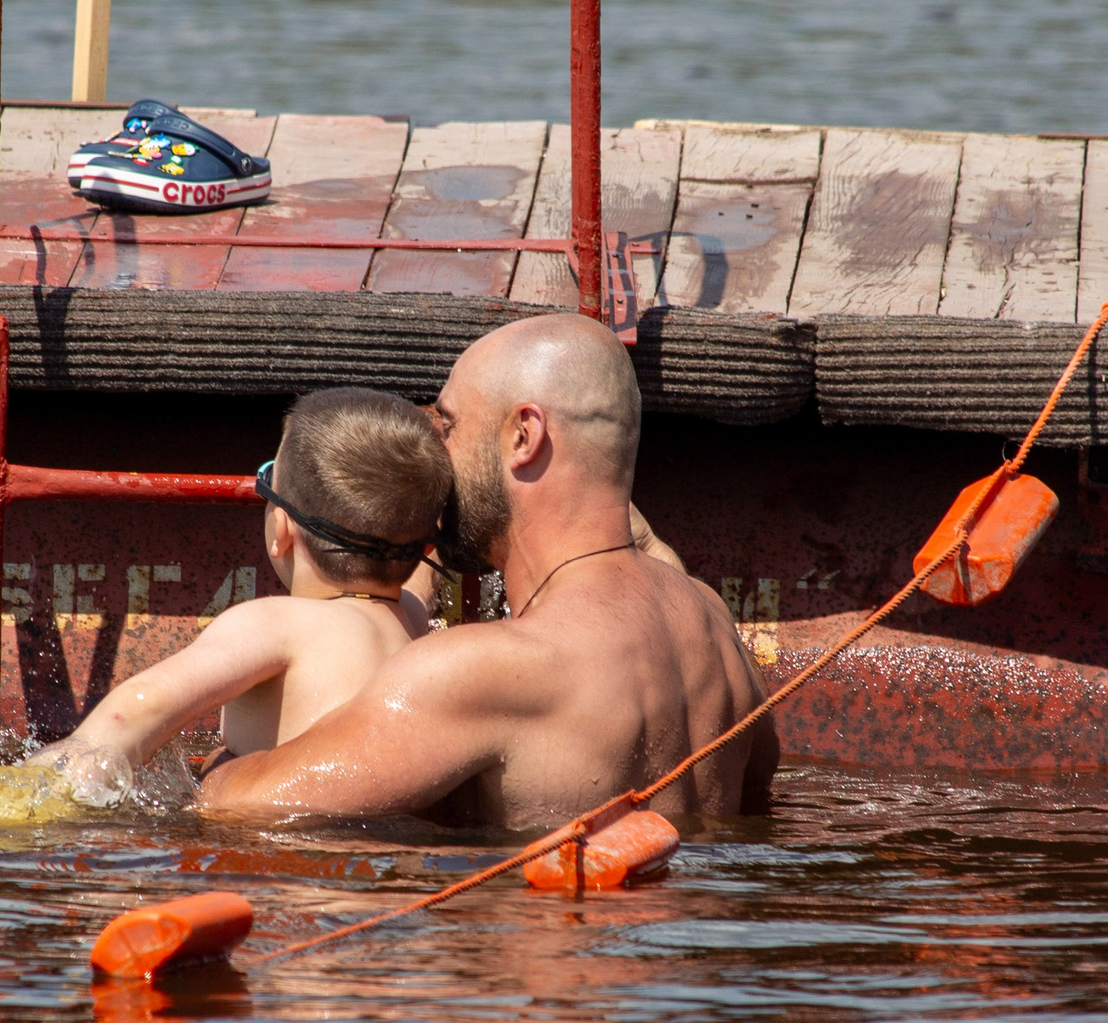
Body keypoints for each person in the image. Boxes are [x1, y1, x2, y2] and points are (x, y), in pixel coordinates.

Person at [198, 314, 777, 829]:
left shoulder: (488, 669)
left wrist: (229, 758)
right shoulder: (711, 624)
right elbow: (757, 795)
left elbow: (244, 804)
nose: (433, 455)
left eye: (447, 425)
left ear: (524, 436)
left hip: (526, 944)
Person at [27, 387, 452, 804]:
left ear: (280, 531)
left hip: (286, 854)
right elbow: (422, 578)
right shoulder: (411, 617)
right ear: (425, 549)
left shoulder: (278, 624)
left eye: (266, 478)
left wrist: (56, 771)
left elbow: (146, 705)